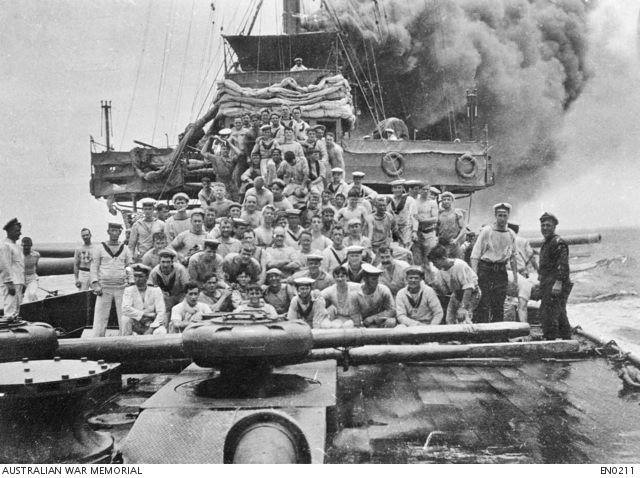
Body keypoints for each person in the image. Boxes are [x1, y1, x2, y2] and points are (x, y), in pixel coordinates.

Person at [470, 203, 519, 323]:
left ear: (508, 216)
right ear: (495, 216)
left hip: (501, 271)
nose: (502, 219)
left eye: (505, 216)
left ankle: (498, 334)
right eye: (500, 215)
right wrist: (474, 276)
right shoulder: (487, 231)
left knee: (499, 303)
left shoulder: (511, 234)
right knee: (483, 301)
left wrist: (516, 279)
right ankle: (481, 334)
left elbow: (513, 257)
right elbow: (475, 255)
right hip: (486, 269)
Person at [90, 222, 132, 337]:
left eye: (117, 231)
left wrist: (131, 282)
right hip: (104, 288)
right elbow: (94, 267)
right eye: (112, 231)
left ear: (120, 232)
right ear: (108, 232)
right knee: (100, 318)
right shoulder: (100, 248)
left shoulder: (125, 249)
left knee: (124, 316)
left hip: (121, 288)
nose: (114, 233)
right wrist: (95, 283)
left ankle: (126, 341)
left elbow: (129, 266)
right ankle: (96, 342)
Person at [538, 212, 573, 341]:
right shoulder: (547, 242)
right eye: (543, 225)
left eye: (548, 225)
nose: (545, 228)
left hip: (556, 283)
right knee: (559, 313)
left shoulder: (558, 242)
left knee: (549, 313)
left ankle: (550, 340)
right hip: (548, 282)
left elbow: (563, 265)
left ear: (554, 227)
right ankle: (566, 339)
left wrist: (558, 283)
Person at [428, 244, 481, 324]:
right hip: (456, 294)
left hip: (471, 294)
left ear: (443, 259)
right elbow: (444, 292)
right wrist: (435, 285)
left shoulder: (460, 265)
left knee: (464, 320)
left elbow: (468, 287)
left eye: (435, 262)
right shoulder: (439, 271)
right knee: (449, 320)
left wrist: (463, 307)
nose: (434, 265)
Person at [149, 248, 190, 328]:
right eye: (163, 262)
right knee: (163, 319)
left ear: (172, 262)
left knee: (183, 313)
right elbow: (151, 290)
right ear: (159, 262)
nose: (165, 265)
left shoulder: (180, 269)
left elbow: (187, 288)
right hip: (166, 298)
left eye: (168, 262)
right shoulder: (154, 272)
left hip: (180, 295)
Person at [121, 264, 167, 335]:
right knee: (125, 319)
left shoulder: (155, 290)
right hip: (136, 324)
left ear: (147, 277)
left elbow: (161, 313)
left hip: (152, 324)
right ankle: (125, 344)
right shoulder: (129, 290)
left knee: (161, 332)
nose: (137, 279)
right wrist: (145, 314)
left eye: (140, 276)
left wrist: (151, 329)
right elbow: (125, 309)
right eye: (135, 276)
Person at [353, 263, 396, 328]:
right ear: (365, 279)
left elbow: (391, 310)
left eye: (377, 278)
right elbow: (355, 313)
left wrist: (373, 318)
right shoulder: (356, 294)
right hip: (365, 323)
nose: (377, 281)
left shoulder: (383, 290)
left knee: (391, 322)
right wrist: (359, 325)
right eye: (373, 279)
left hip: (382, 321)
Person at [413, 183, 439, 270]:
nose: (425, 191)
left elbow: (435, 218)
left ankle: (431, 281)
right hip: (417, 234)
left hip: (429, 233)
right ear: (419, 190)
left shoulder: (432, 203)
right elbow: (412, 218)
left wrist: (423, 220)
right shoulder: (414, 202)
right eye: (423, 189)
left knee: (429, 260)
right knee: (417, 260)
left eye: (427, 189)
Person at [1, 219, 24, 317]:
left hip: (18, 282)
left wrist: (24, 282)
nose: (20, 233)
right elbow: (5, 265)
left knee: (16, 311)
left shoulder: (15, 246)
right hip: (12, 283)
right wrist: (9, 282)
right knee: (11, 310)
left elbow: (19, 267)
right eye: (17, 231)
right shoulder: (5, 246)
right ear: (10, 231)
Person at [387, 179, 417, 250]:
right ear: (392, 189)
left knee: (406, 249)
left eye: (399, 188)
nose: (397, 190)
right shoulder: (390, 202)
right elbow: (389, 217)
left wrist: (414, 231)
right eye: (395, 188)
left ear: (403, 189)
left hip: (407, 228)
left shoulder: (409, 200)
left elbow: (414, 216)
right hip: (396, 230)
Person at [437, 191, 467, 259]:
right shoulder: (440, 214)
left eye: (448, 199)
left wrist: (456, 240)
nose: (446, 201)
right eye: (444, 199)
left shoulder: (456, 212)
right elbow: (437, 228)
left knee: (455, 263)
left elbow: (463, 229)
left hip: (453, 243)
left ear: (452, 201)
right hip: (442, 244)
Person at [21, 237, 40, 303]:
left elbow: (36, 267)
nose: (26, 247)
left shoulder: (36, 255)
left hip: (32, 277)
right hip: (20, 278)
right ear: (21, 245)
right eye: (24, 245)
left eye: (28, 245)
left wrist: (36, 278)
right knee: (19, 298)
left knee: (32, 294)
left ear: (31, 245)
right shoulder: (17, 255)